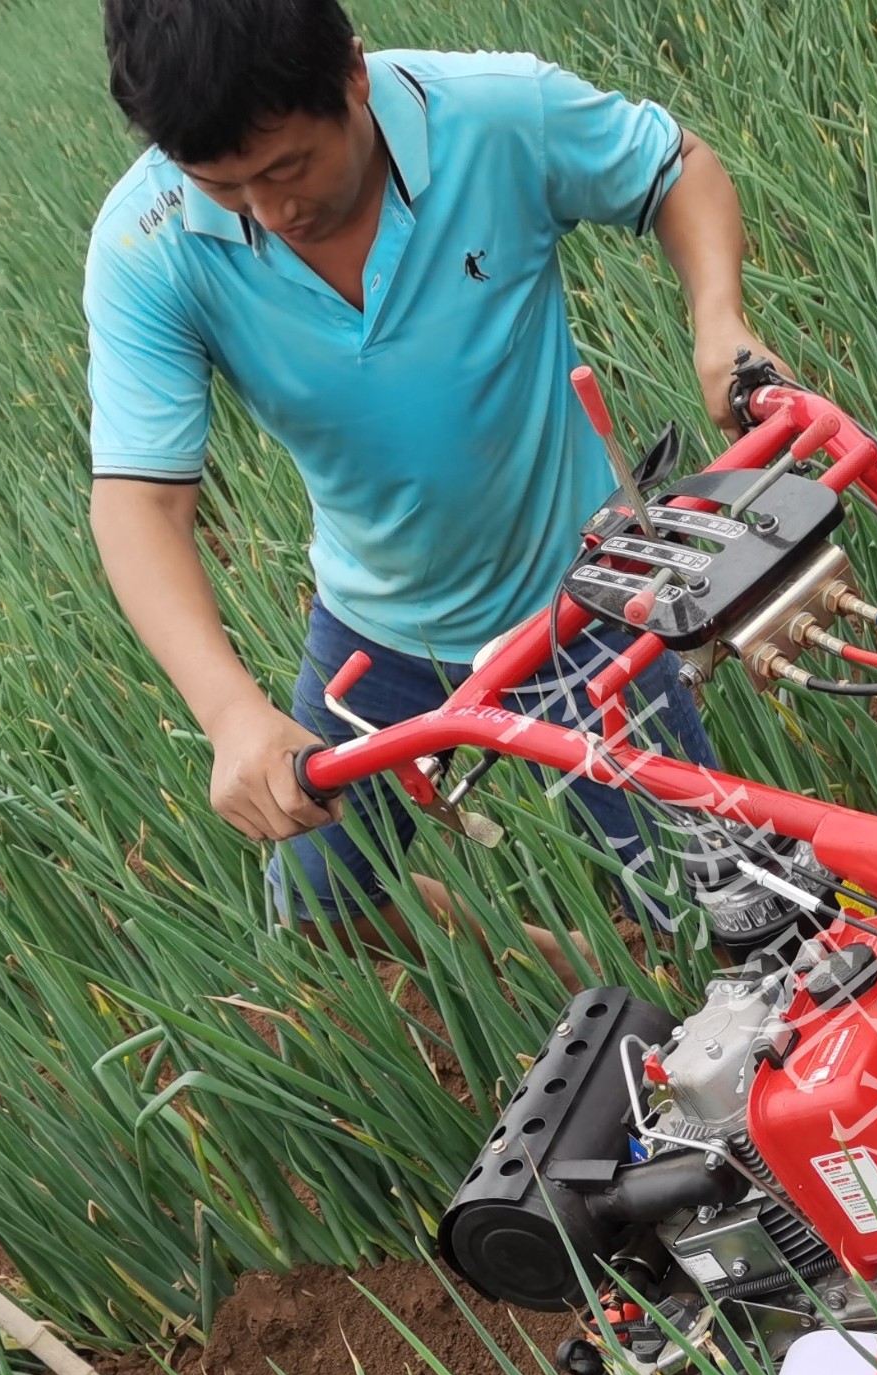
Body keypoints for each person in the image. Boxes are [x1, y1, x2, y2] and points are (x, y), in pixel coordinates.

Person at [84, 0, 773, 936]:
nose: (269, 212)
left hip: (583, 596)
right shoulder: (146, 242)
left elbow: (675, 168)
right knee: (322, 912)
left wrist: (719, 321)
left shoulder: (494, 116)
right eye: (225, 185)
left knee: (711, 907)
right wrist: (230, 716)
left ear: (353, 78)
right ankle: (564, 964)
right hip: (376, 635)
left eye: (287, 167)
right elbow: (140, 505)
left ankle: (658, 953)